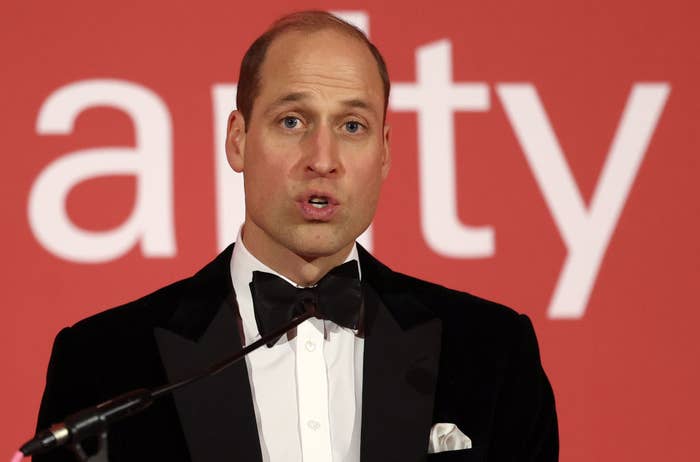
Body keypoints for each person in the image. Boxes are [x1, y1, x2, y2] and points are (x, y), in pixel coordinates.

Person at [35, 10, 558, 462]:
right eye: (291, 121)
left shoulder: (493, 352)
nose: (323, 160)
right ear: (237, 139)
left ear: (385, 151)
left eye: (352, 126)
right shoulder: (105, 364)